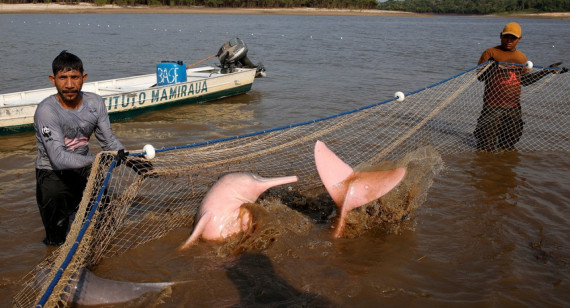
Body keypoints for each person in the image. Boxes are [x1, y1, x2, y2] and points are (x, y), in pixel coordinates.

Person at [34, 51, 129, 246]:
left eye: (74, 77)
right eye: (63, 78)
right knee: (56, 240)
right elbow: (58, 157)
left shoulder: (95, 103)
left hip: (86, 170)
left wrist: (131, 160)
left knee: (101, 224)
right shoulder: (46, 110)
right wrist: (98, 160)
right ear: (53, 80)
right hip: (53, 174)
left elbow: (109, 143)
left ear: (83, 78)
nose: (69, 85)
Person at [474, 22, 566, 151]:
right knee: (485, 145)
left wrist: (547, 71)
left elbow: (525, 80)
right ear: (500, 36)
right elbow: (480, 77)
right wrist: (490, 68)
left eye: (513, 38)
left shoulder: (521, 57)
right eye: (506, 37)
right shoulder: (490, 53)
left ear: (519, 39)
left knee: (508, 144)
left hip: (513, 108)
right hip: (492, 106)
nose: (509, 41)